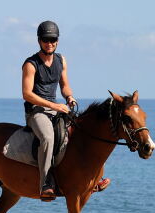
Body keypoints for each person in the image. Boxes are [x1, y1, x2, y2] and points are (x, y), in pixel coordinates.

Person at [22, 21, 109, 201]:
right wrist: (53, 106)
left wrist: (69, 97)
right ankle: (45, 183)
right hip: (36, 111)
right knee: (47, 138)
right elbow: (27, 94)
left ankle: (93, 179)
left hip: (56, 109)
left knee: (82, 132)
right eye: (46, 40)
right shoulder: (31, 64)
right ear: (39, 41)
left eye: (53, 40)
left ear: (57, 41)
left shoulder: (61, 60)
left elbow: (65, 86)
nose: (49, 43)